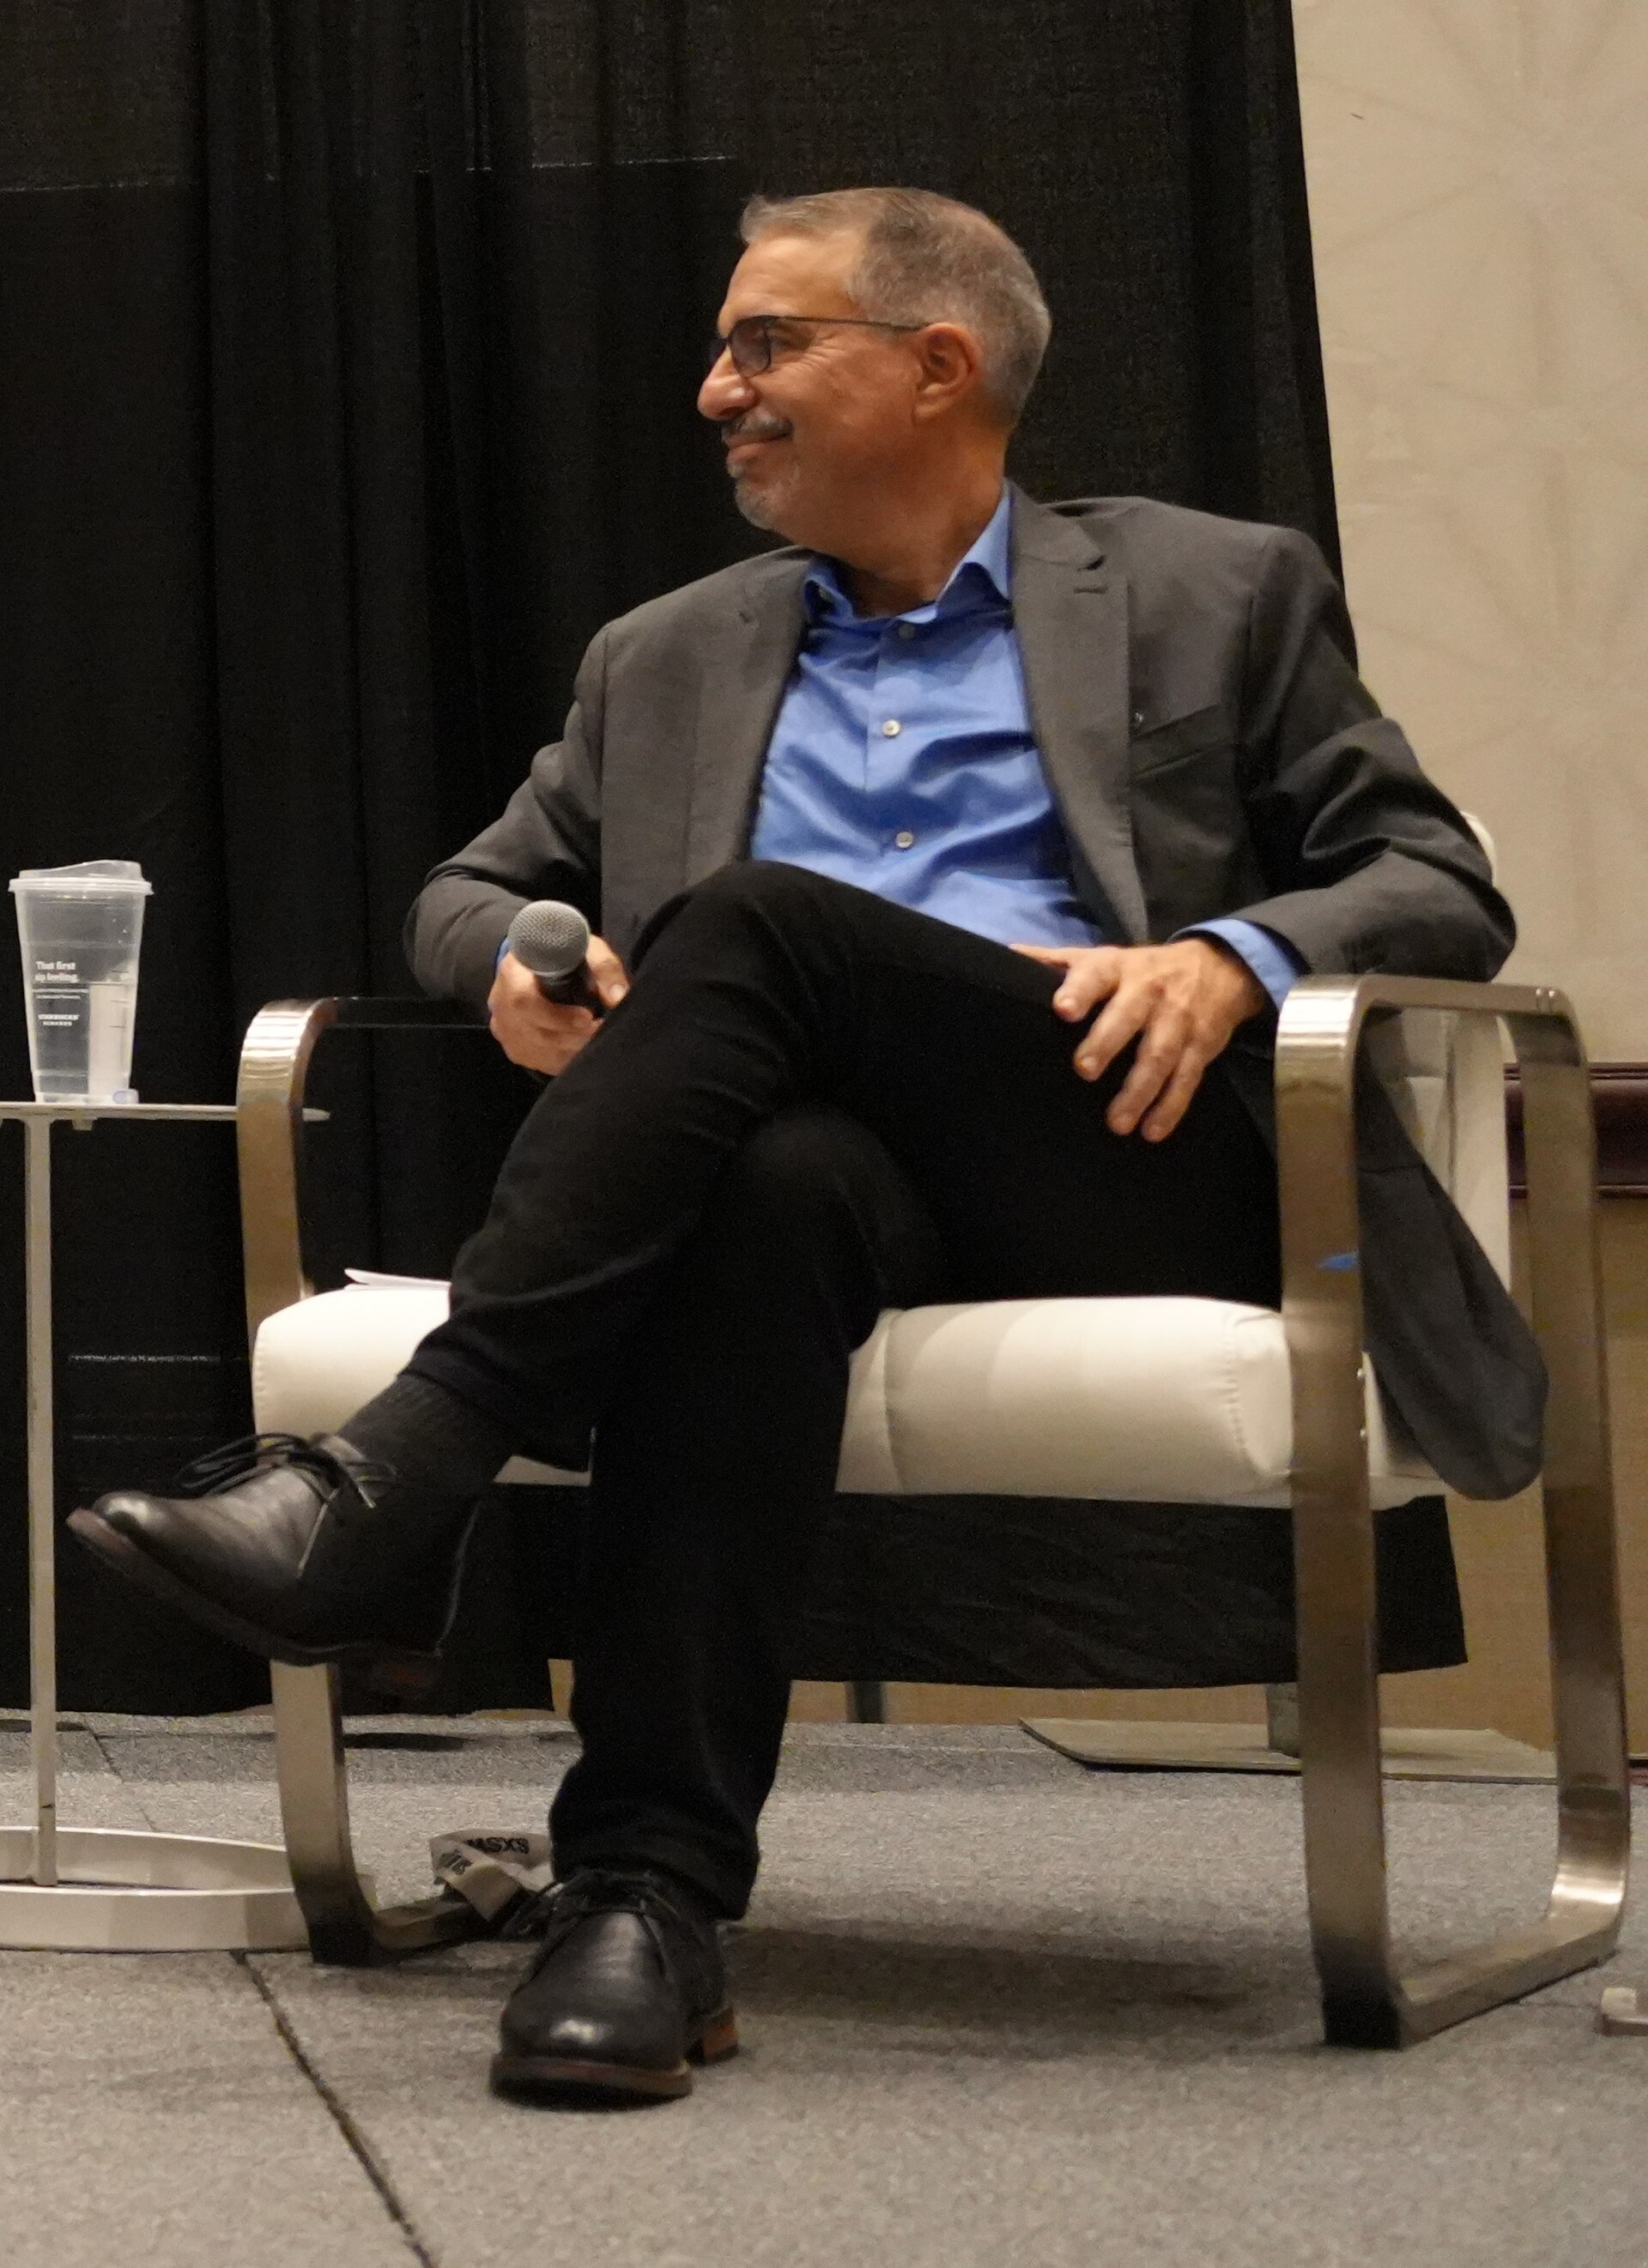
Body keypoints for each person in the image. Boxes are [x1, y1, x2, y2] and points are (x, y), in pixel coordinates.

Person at [71, 187, 1542, 2107]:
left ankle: (393, 1484)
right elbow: (471, 890)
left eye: (766, 344)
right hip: (836, 1180)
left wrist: (1232, 951)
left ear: (937, 366)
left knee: (763, 922)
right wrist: (514, 963)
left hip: (1126, 1140)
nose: (714, 390)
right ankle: (643, 1897)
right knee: (757, 1188)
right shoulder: (666, 653)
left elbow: (1433, 878)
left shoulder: (1214, 588)